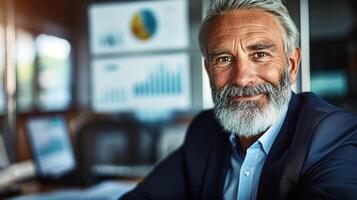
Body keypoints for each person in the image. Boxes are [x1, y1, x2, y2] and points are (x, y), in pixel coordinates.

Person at [121, 0, 357, 199]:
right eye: (223, 59)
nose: (242, 78)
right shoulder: (205, 129)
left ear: (292, 65)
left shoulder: (334, 135)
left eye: (261, 54)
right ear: (208, 70)